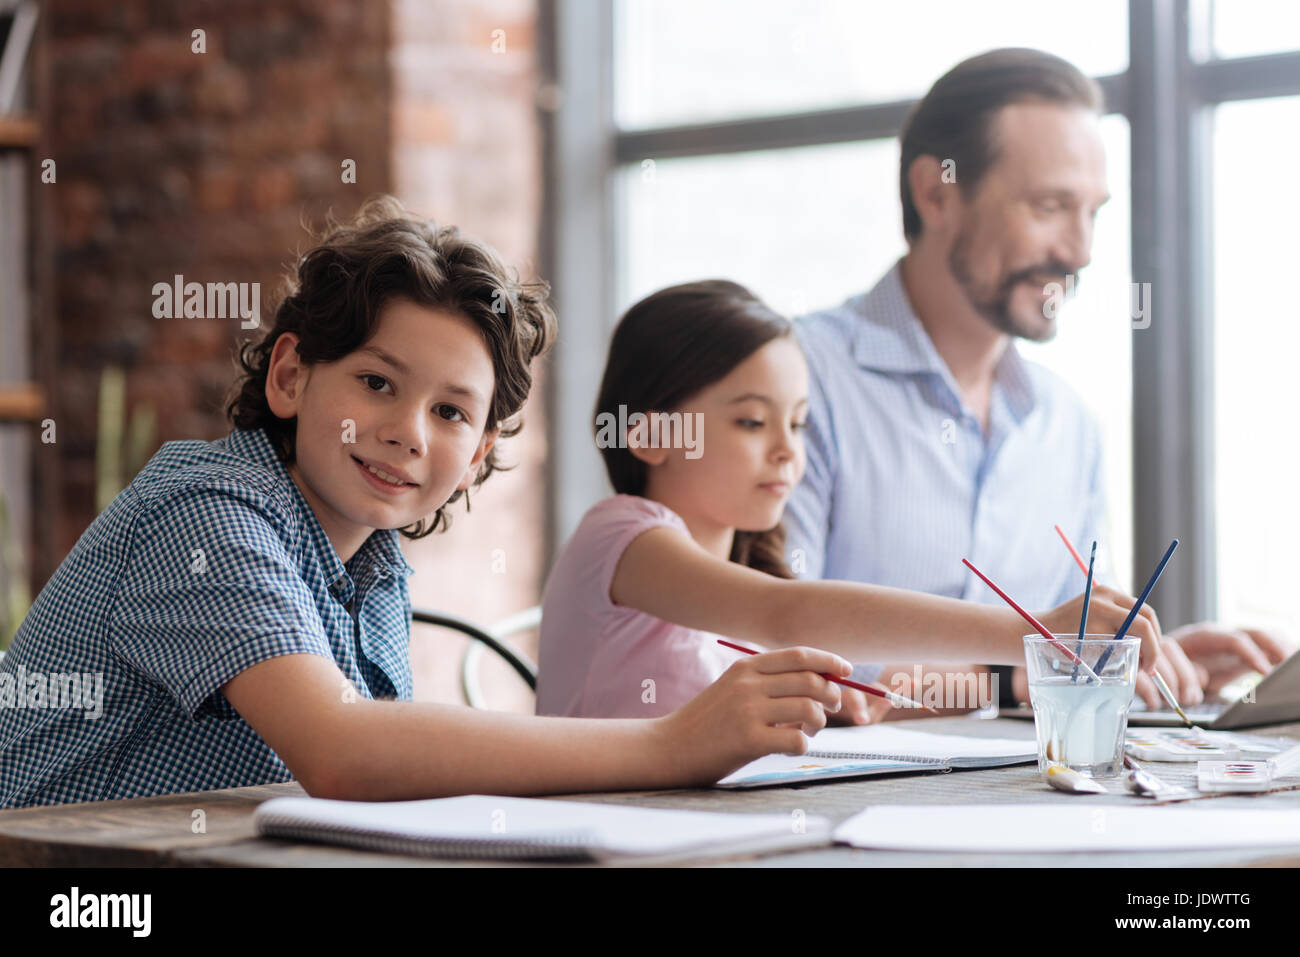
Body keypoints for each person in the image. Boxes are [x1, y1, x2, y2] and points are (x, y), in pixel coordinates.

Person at [0, 197, 861, 808]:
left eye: (451, 411)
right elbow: (343, 750)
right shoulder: (206, 514)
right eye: (377, 383)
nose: (409, 433)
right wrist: (674, 744)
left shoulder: (372, 567)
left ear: (481, 450)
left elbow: (384, 769)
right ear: (292, 374)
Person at [783, 48, 1291, 719]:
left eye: (1092, 213)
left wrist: (1144, 663)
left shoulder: (1066, 421)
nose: (1080, 251)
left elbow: (1073, 641)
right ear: (937, 193)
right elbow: (776, 662)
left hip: (1022, 807)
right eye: (1051, 205)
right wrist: (1015, 679)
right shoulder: (795, 381)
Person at [536, 279, 1165, 719]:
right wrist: (1038, 632)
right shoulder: (621, 538)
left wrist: (1012, 685)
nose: (788, 451)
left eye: (800, 422)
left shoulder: (748, 582)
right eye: (752, 423)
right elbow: (785, 612)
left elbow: (876, 687)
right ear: (649, 433)